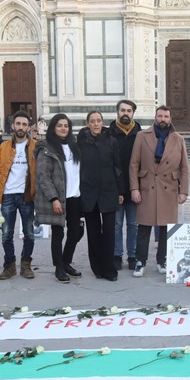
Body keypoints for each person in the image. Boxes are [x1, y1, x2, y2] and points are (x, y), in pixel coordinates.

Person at [129, 105, 189, 277]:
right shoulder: (142, 136)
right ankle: (140, 262)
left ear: (170, 119)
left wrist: (183, 191)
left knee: (165, 227)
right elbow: (134, 164)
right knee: (144, 227)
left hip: (169, 188)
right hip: (147, 187)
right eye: (160, 116)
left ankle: (162, 260)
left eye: (166, 116)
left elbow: (184, 167)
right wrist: (134, 188)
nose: (163, 119)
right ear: (155, 117)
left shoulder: (178, 139)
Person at [34, 113, 84, 283]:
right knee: (58, 233)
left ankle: (66, 261)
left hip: (74, 196)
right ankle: (59, 268)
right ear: (53, 128)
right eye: (60, 125)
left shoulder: (74, 146)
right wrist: (53, 198)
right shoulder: (47, 148)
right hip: (58, 198)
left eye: (66, 126)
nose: (63, 128)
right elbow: (42, 176)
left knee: (76, 231)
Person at [78, 110, 122, 282]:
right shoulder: (81, 143)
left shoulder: (111, 141)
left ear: (102, 122)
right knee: (93, 232)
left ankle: (109, 268)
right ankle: (97, 267)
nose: (96, 124)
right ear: (88, 123)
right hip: (89, 193)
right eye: (92, 121)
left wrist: (121, 191)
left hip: (109, 191)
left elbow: (118, 167)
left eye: (98, 121)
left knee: (109, 231)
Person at [0, 110, 37, 280]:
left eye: (24, 124)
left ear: (29, 127)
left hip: (27, 195)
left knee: (29, 233)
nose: (21, 127)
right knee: (6, 234)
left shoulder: (36, 146)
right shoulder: (3, 147)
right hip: (8, 195)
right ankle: (9, 265)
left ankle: (26, 264)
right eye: (18, 124)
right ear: (12, 126)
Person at [109, 99, 141, 271]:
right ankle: (116, 255)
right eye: (123, 110)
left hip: (134, 187)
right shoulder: (109, 133)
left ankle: (133, 256)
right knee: (116, 224)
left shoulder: (140, 133)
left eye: (129, 111)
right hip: (116, 188)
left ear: (133, 113)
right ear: (117, 112)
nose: (125, 114)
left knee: (133, 224)